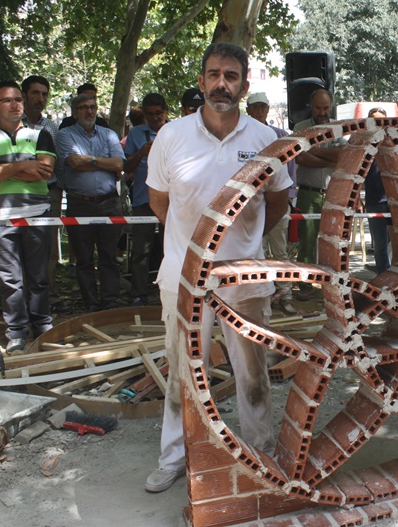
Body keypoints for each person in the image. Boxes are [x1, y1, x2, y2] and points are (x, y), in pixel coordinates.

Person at [145, 42, 291, 493]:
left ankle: (259, 455)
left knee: (251, 371)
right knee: (183, 370)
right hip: (183, 277)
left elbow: (280, 202)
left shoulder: (265, 139)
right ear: (202, 80)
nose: (221, 84)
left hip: (244, 278)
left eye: (231, 75)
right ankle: (175, 457)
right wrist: (195, 251)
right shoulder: (172, 136)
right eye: (213, 74)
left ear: (245, 84)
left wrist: (242, 243)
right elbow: (160, 203)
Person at [0, 80, 55, 354]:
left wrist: (3, 169)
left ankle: (43, 326)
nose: (15, 104)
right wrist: (24, 165)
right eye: (7, 100)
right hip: (0, 217)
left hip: (36, 216)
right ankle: (16, 333)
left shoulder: (41, 134)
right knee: (10, 280)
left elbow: (45, 171)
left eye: (18, 99)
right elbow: (32, 169)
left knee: (39, 276)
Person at [56, 94, 125, 312]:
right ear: (74, 112)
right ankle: (91, 303)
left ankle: (110, 301)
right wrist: (103, 162)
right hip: (79, 203)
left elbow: (119, 164)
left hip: (109, 203)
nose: (89, 112)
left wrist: (91, 161)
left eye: (93, 107)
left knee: (109, 256)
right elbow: (75, 162)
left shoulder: (109, 135)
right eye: (84, 108)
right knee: (84, 258)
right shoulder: (65, 135)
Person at [20, 75, 73, 315]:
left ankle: (47, 298)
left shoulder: (51, 126)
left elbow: (56, 166)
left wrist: (58, 189)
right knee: (17, 246)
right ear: (24, 95)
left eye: (44, 94)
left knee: (49, 249)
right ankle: (20, 299)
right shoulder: (10, 125)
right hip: (14, 194)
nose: (40, 99)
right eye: (35, 93)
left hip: (48, 192)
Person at [247, 91, 298, 315]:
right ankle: (261, 295)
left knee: (279, 250)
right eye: (255, 107)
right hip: (251, 203)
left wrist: (289, 196)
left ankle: (285, 293)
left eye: (263, 107)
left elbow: (291, 168)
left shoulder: (281, 136)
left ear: (268, 109)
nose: (259, 111)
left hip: (277, 201)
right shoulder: (243, 136)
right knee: (254, 249)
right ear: (248, 110)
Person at [292, 88, 343, 300]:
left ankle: (331, 284)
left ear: (330, 106)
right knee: (307, 240)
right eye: (318, 107)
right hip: (307, 192)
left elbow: (342, 154)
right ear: (311, 107)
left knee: (333, 241)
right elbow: (300, 158)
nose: (322, 112)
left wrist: (314, 152)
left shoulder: (338, 128)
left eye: (325, 107)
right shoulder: (300, 128)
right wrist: (329, 157)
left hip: (333, 193)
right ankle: (304, 284)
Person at [124, 93, 169, 307]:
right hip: (143, 199)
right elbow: (126, 167)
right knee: (141, 250)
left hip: (172, 201)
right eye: (149, 114)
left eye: (158, 113)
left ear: (165, 112)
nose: (155, 118)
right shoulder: (135, 134)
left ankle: (169, 291)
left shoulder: (175, 132)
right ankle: (139, 294)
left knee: (170, 249)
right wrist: (141, 153)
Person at [363, 107, 392, 274]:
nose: (379, 124)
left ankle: (394, 277)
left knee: (396, 243)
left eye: (382, 120)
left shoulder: (393, 142)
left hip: (393, 201)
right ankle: (383, 278)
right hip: (374, 201)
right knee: (380, 244)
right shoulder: (364, 142)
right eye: (375, 120)